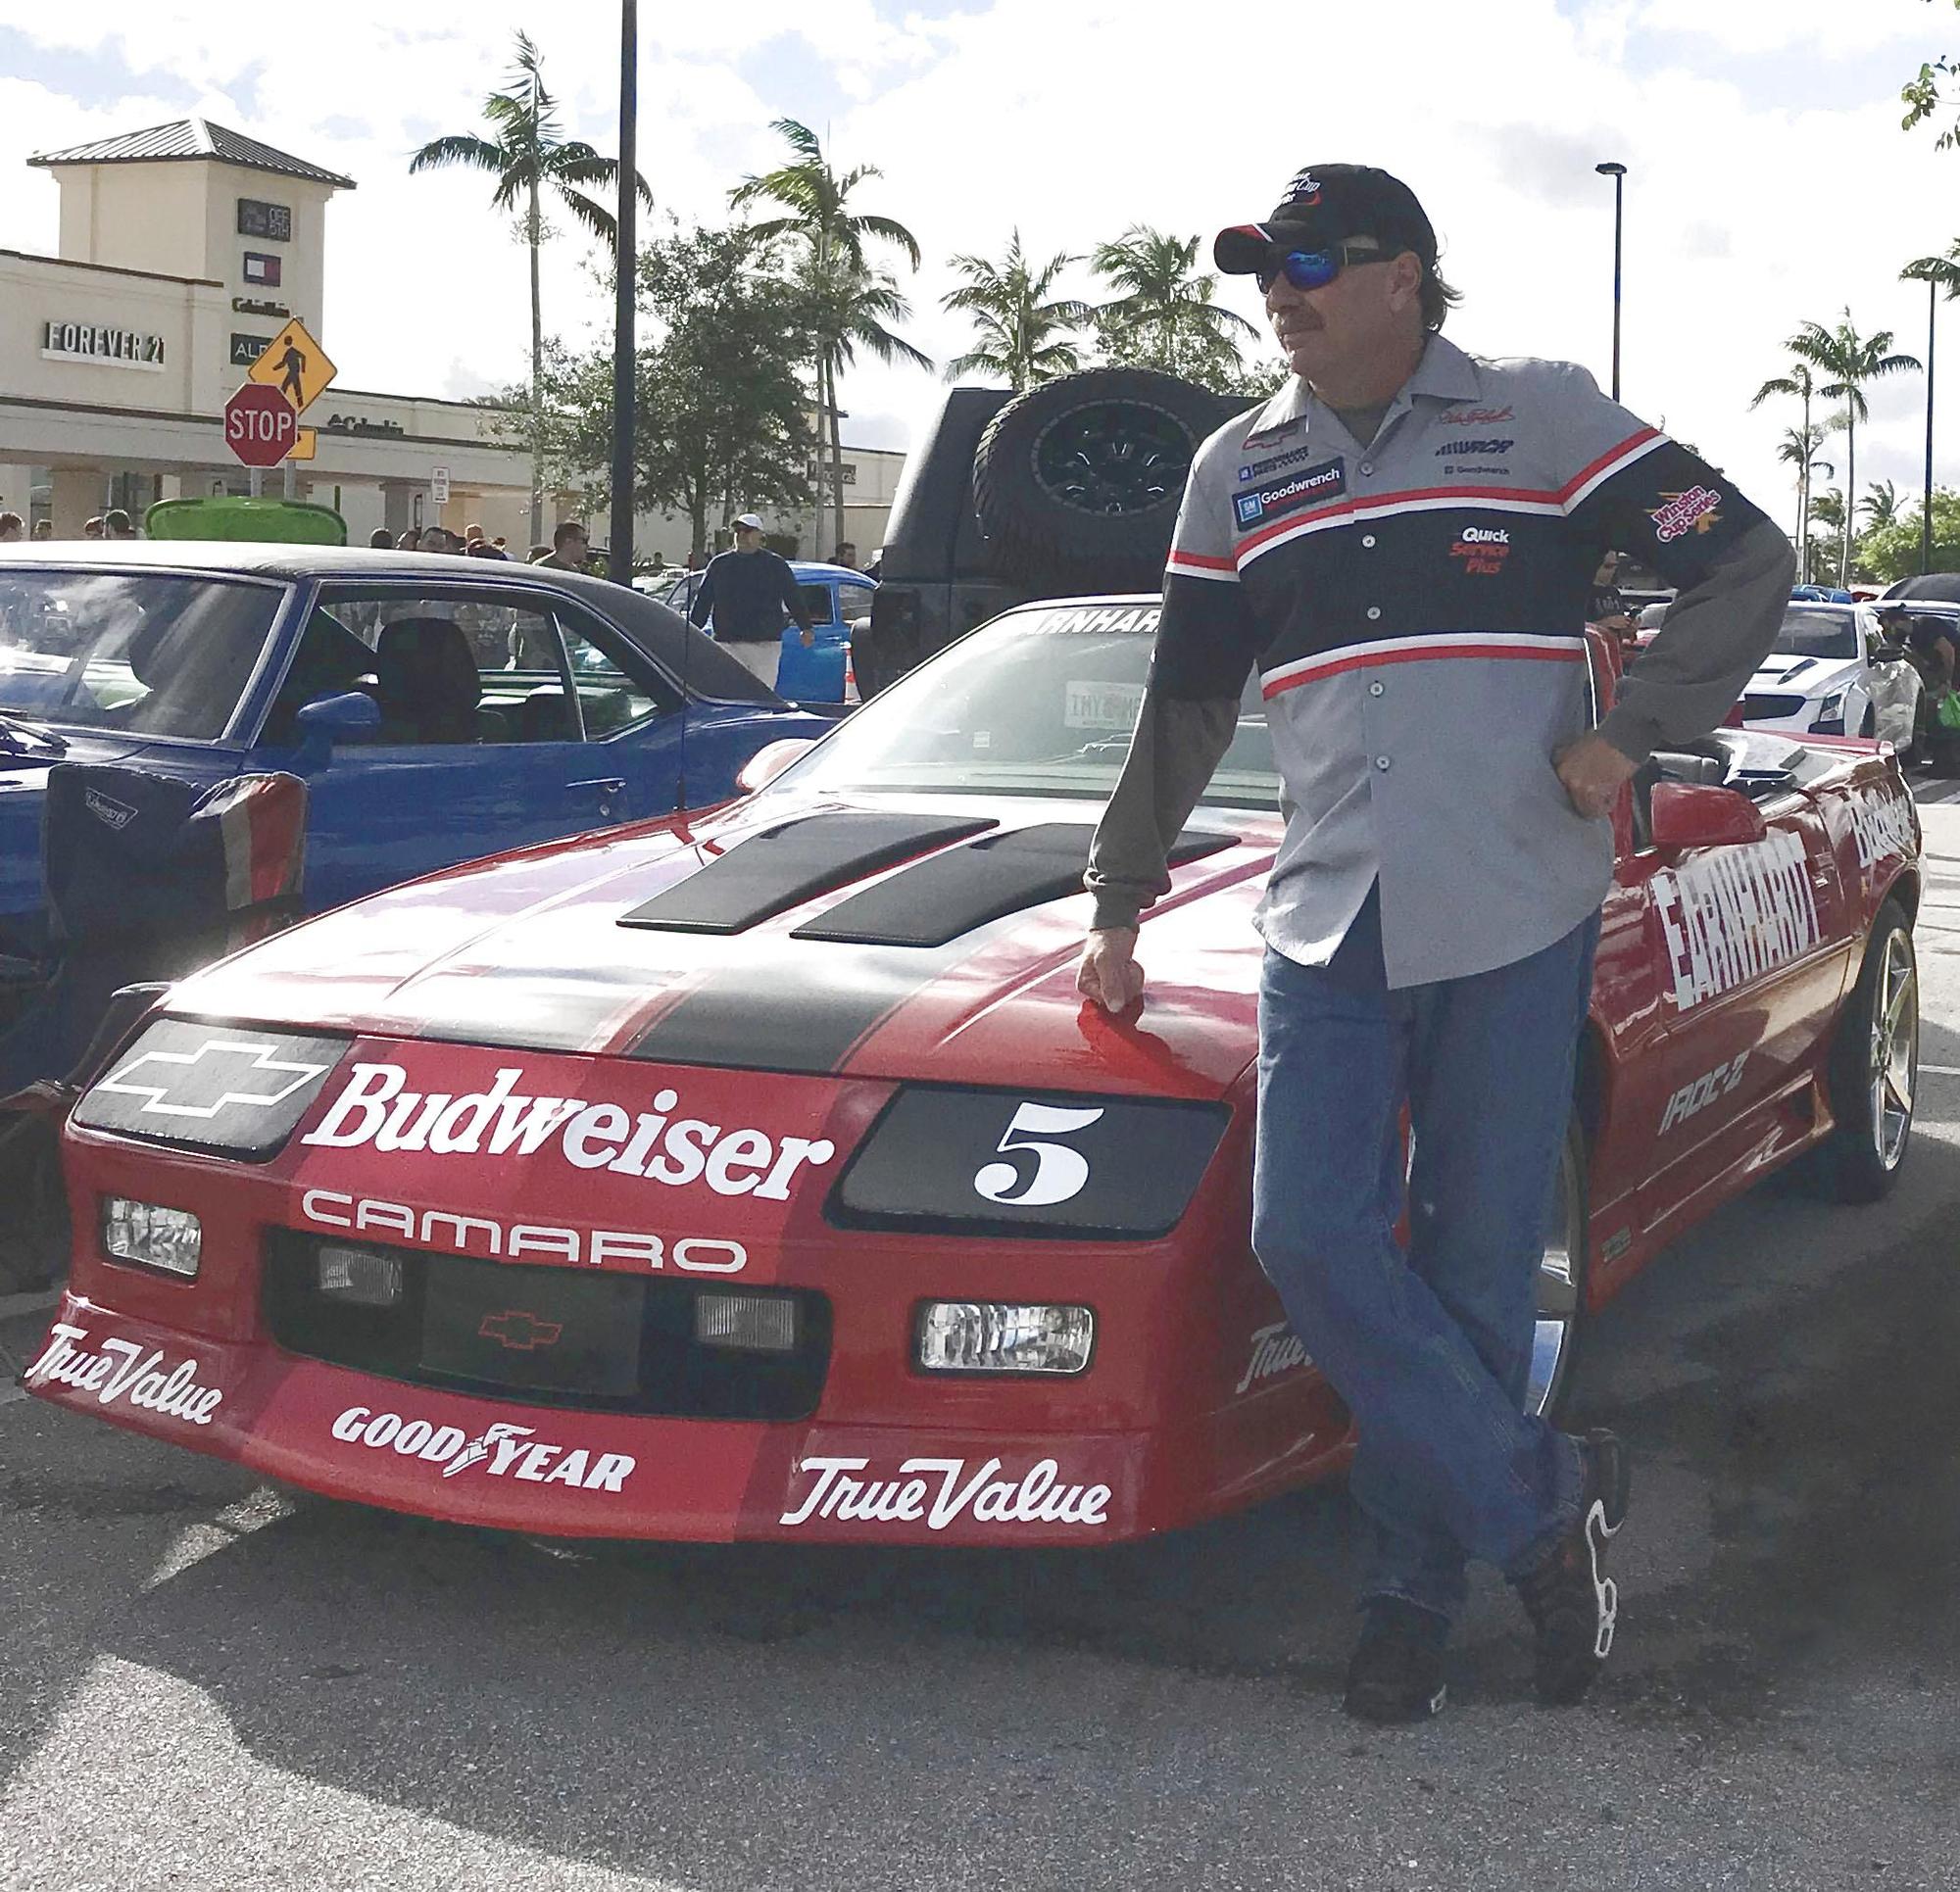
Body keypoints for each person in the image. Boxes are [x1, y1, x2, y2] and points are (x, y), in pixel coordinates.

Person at [1077, 164, 1790, 1724]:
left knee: (1472, 1269)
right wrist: (1120, 895)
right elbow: (1187, 700)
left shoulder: (1542, 417)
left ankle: (1406, 1599)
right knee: (1310, 1234)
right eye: (1263, 268)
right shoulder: (1235, 469)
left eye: (1310, 263)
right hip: (1329, 913)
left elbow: (1744, 557)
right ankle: (1544, 1505)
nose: (1280, 294)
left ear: (1404, 274)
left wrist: (1634, 734)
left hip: (1515, 906)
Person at [687, 512, 814, 685]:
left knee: (762, 694)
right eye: (737, 530)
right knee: (727, 693)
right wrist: (691, 632)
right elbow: (703, 601)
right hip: (727, 644)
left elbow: (793, 596)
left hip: (765, 645)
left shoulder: (775, 565)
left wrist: (805, 627)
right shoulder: (719, 565)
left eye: (747, 530)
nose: (741, 534)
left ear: (760, 535)